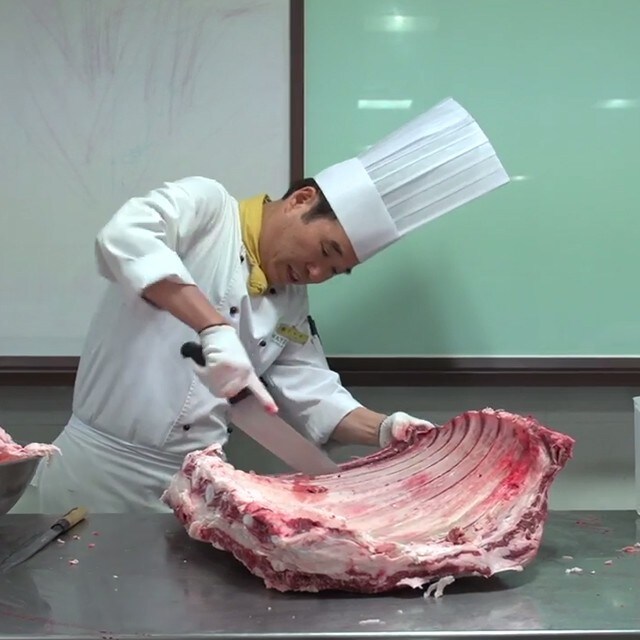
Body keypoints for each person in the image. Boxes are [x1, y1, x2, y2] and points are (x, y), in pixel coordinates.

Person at [32, 97, 509, 513]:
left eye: (335, 270)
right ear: (301, 200)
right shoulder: (209, 210)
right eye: (325, 251)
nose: (317, 273)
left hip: (192, 484)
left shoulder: (290, 301)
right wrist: (214, 328)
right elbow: (125, 237)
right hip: (93, 471)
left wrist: (389, 430)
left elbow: (314, 395)